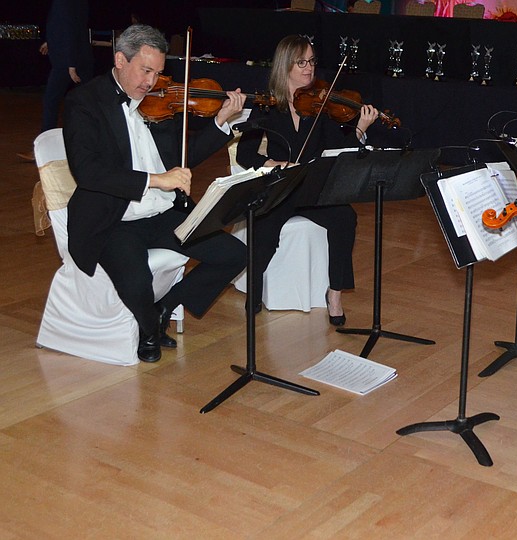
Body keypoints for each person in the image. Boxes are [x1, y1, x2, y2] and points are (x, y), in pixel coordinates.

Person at [63, 24, 248, 363]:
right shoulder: (84, 102)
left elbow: (183, 156)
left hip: (162, 212)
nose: (150, 82)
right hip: (115, 217)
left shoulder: (157, 103)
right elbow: (88, 172)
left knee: (235, 254)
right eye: (145, 70)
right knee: (136, 281)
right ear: (120, 59)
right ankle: (148, 327)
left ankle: (167, 307)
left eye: (158, 73)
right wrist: (155, 179)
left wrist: (221, 120)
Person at [236, 35, 379, 325]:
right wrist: (272, 162)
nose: (309, 68)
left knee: (345, 219)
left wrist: (360, 129)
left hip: (313, 189)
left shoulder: (321, 106)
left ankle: (335, 294)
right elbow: (245, 153)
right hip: (282, 186)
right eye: (301, 62)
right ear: (285, 65)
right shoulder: (268, 104)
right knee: (264, 228)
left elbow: (337, 151)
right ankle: (255, 287)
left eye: (312, 62)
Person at [17, 0, 94, 162]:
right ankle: (93, 147)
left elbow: (70, 29)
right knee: (87, 103)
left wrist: (71, 64)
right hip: (76, 56)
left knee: (51, 101)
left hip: (67, 61)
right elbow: (67, 25)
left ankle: (44, 151)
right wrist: (50, 42)